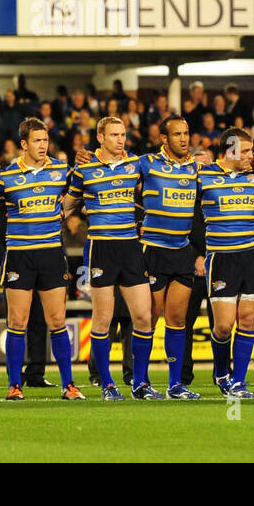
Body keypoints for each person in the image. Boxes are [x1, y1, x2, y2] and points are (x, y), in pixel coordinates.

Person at [62, 116, 156, 400]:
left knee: (143, 316)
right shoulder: (84, 170)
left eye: (123, 134)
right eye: (114, 134)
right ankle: (107, 384)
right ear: (100, 138)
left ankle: (140, 382)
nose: (120, 139)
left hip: (130, 247)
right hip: (101, 249)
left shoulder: (136, 164)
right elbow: (67, 206)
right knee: (102, 318)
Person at [0, 118, 84, 400]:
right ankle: (14, 385)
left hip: (51, 253)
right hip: (19, 255)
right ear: (24, 144)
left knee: (57, 319)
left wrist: (66, 211)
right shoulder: (5, 177)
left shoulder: (60, 170)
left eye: (45, 140)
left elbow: (81, 192)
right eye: (37, 141)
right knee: (17, 320)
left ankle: (68, 384)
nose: (43, 145)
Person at [134, 116, 202, 398]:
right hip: (153, 250)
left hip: (182, 250)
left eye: (186, 133)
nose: (184, 139)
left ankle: (175, 384)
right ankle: (140, 383)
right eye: (177, 134)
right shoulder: (146, 163)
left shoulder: (196, 168)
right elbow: (117, 183)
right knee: (149, 319)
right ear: (164, 138)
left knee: (177, 320)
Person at [198, 129, 254, 398]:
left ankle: (239, 381)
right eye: (246, 151)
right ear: (230, 150)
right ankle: (221, 372)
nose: (252, 156)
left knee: (247, 320)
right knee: (224, 326)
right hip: (221, 258)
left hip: (251, 256)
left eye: (252, 151)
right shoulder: (203, 175)